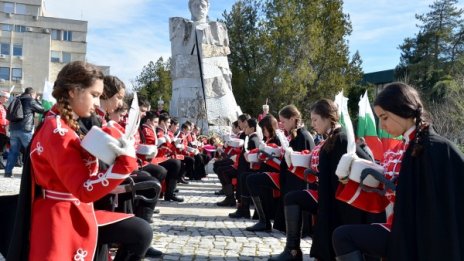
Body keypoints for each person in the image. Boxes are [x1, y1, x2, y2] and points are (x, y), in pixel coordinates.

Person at [7, 61, 153, 260]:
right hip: (63, 218)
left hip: (71, 211)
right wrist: (125, 163)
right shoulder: (58, 131)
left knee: (140, 231)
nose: (96, 102)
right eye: (94, 95)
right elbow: (84, 189)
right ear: (74, 91)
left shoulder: (63, 123)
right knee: (140, 232)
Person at [332, 82, 464, 261]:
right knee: (342, 235)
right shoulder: (400, 149)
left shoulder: (438, 148)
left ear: (403, 110)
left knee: (343, 236)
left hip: (422, 238)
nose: (381, 125)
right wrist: (353, 176)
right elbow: (384, 198)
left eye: (384, 117)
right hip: (399, 227)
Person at [268, 99, 383, 261]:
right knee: (293, 198)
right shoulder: (332, 138)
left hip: (340, 202)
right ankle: (292, 251)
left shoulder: (341, 138)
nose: (313, 124)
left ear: (328, 117)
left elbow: (362, 167)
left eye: (315, 119)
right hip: (328, 196)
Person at [169, 0, 242, 132]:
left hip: (218, 92)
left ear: (208, 7)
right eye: (195, 5)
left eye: (202, 5)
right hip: (187, 93)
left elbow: (224, 69)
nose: (199, 8)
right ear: (190, 7)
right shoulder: (179, 26)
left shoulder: (217, 28)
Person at [4, 87, 44, 177]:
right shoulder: (30, 100)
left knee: (13, 151)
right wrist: (37, 100)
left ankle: (8, 172)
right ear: (31, 94)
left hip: (13, 129)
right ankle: (31, 172)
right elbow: (41, 110)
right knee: (30, 151)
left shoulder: (17, 98)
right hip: (25, 129)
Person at [0, 91, 10, 169]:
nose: (7, 99)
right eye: (6, 97)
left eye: (8, 98)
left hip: (3, 130)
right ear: (1, 97)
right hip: (0, 129)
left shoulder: (3, 107)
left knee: (2, 148)